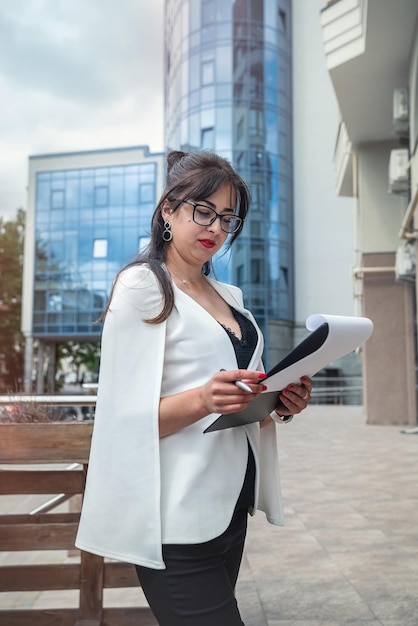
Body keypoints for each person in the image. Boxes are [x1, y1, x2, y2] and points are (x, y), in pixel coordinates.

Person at [75, 150, 312, 625]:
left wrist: (280, 402)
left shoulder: (230, 297)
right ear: (168, 209)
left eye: (228, 217)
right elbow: (121, 419)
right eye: (202, 211)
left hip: (228, 507)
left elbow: (243, 399)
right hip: (175, 519)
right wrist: (203, 398)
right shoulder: (143, 286)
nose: (216, 227)